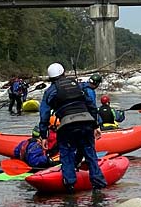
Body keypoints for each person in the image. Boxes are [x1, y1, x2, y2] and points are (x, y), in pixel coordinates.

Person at [38, 62, 107, 193]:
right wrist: (96, 125)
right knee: (90, 153)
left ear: (51, 78)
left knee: (66, 153)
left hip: (67, 126)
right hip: (86, 123)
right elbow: (91, 106)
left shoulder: (49, 92)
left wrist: (43, 136)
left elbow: (44, 115)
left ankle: (70, 185)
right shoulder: (78, 85)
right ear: (64, 73)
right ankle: (99, 186)